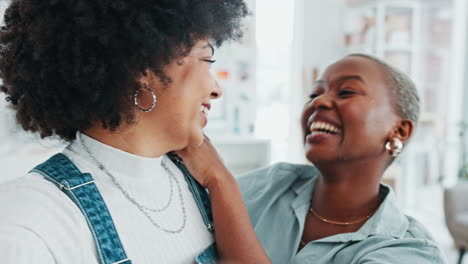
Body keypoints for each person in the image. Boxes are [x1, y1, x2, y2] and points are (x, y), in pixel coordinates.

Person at [0, 0, 269, 263]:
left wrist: (220, 179)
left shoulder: (199, 184)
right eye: (207, 58)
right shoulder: (29, 219)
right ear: (144, 66)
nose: (216, 89)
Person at [181, 54, 446, 263]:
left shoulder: (408, 250)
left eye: (346, 92)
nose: (318, 103)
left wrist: (220, 179)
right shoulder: (272, 185)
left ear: (399, 130)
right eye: (314, 94)